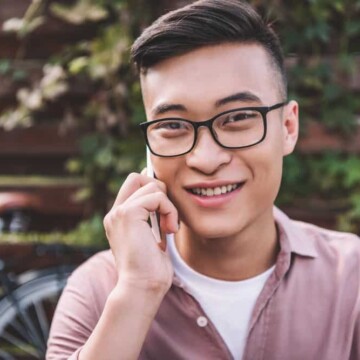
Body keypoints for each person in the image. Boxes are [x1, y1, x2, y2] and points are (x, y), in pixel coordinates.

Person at [46, 1, 360, 359]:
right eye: (173, 125)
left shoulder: (350, 279)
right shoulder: (100, 290)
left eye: (238, 118)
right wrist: (137, 291)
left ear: (288, 127)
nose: (206, 160)